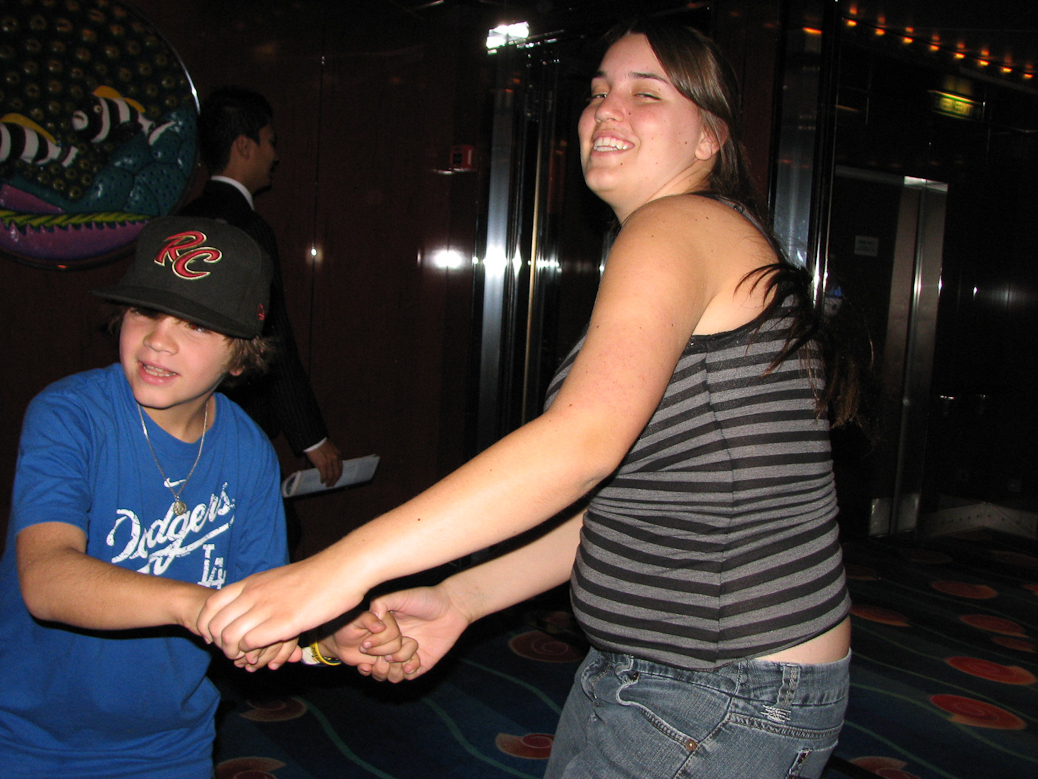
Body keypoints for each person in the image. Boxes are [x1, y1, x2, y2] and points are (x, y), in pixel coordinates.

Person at [200, 20, 867, 779]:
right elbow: (631, 506)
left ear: (710, 136)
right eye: (598, 91)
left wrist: (336, 571)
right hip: (675, 670)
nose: (606, 109)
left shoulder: (677, 226)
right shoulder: (700, 236)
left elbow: (579, 447)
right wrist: (462, 598)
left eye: (646, 94)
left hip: (720, 685)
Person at [0, 216, 408, 779]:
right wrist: (193, 604)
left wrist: (326, 638)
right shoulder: (71, 416)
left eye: (195, 324)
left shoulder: (248, 451)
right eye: (145, 310)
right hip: (27, 737)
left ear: (241, 356)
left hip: (171, 743)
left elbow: (257, 608)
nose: (158, 339)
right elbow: (47, 580)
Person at [180, 85, 343, 490]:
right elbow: (271, 336)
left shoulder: (179, 221)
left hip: (182, 414)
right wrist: (312, 438)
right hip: (235, 421)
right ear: (244, 145)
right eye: (270, 142)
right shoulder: (248, 229)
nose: (276, 155)